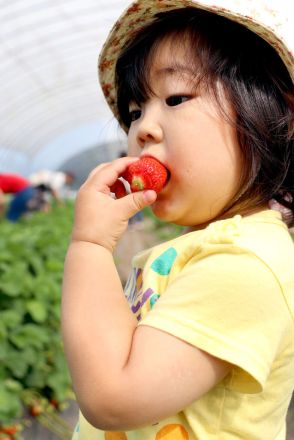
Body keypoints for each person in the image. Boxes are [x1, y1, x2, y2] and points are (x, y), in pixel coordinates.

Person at [61, 1, 294, 439]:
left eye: (176, 97)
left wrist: (89, 246)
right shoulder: (202, 251)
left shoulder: (245, 264)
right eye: (133, 112)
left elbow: (112, 397)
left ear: (282, 115)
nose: (143, 128)